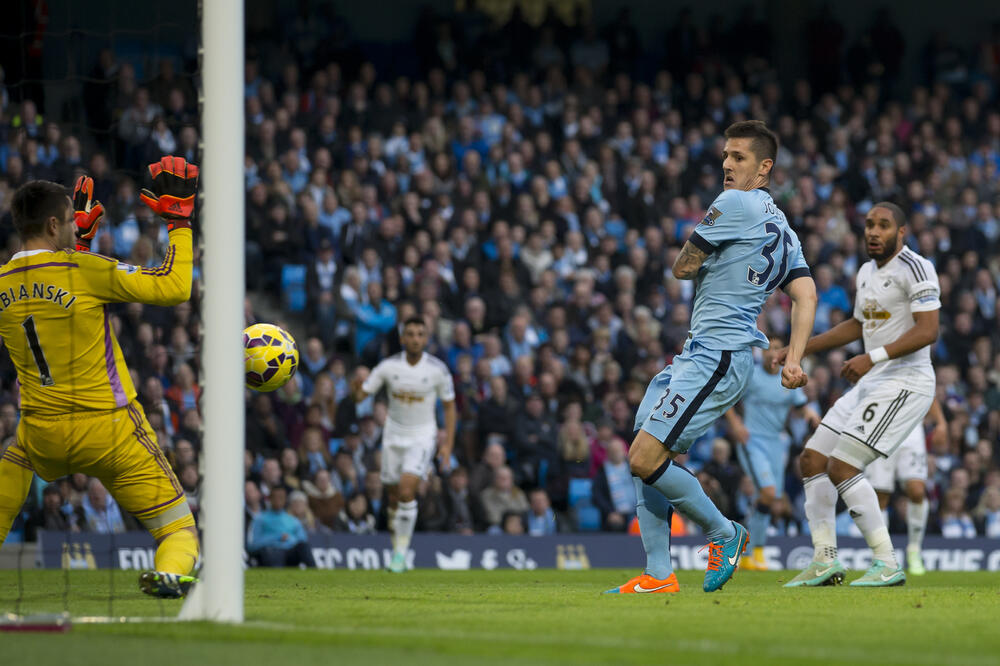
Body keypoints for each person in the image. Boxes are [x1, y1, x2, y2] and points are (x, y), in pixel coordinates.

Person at [607, 120, 816, 595]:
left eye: (739, 158)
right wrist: (794, 359)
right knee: (644, 446)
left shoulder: (733, 203)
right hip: (701, 352)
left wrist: (698, 256)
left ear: (763, 169)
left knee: (645, 457)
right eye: (725, 155)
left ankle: (724, 532)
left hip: (718, 354)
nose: (726, 164)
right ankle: (659, 574)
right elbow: (807, 294)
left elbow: (682, 267)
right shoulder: (785, 231)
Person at [0, 157, 201, 598]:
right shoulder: (83, 271)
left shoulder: (2, 281)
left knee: (13, 462)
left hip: (42, 434)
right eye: (73, 222)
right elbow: (174, 287)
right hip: (110, 431)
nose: (77, 226)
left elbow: (53, 306)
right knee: (179, 530)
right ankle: (170, 573)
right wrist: (180, 223)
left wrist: (81, 246)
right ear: (54, 225)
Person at [778, 202, 939, 588]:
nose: (873, 231)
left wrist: (872, 356)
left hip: (905, 380)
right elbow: (857, 324)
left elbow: (929, 329)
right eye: (868, 224)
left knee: (843, 466)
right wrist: (799, 349)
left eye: (883, 226)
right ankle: (825, 560)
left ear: (901, 233)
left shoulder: (916, 267)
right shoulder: (866, 271)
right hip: (872, 380)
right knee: (813, 458)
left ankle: (887, 562)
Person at [351, 316, 456, 572]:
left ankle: (400, 556)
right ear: (402, 338)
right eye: (410, 333)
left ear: (426, 339)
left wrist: (447, 445)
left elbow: (450, 407)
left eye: (420, 334)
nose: (415, 338)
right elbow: (360, 396)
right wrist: (356, 382)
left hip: (422, 436)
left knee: (408, 490)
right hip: (393, 436)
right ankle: (397, 550)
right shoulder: (387, 367)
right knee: (393, 498)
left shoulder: (437, 370)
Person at [724, 336, 820, 570]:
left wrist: (811, 415)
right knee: (766, 492)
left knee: (769, 498)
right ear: (761, 353)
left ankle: (753, 554)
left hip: (776, 444)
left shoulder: (787, 377)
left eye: (776, 348)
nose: (771, 353)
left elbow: (800, 405)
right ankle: (745, 548)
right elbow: (725, 397)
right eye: (767, 348)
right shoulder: (751, 375)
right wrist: (736, 424)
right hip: (752, 441)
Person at [865, 398, 946, 576]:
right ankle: (882, 555)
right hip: (880, 431)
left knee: (917, 491)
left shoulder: (916, 370)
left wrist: (940, 422)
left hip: (911, 432)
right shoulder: (874, 370)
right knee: (880, 498)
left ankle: (914, 549)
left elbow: (929, 391)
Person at [248, 486, 316, 567]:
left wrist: (289, 538)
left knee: (303, 547)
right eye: (275, 497)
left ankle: (315, 573)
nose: (278, 500)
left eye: (281, 497)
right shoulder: (259, 519)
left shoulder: (293, 520)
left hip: (289, 554)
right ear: (269, 499)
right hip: (269, 553)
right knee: (271, 551)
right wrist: (277, 537)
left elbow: (302, 541)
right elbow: (252, 545)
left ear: (285, 499)